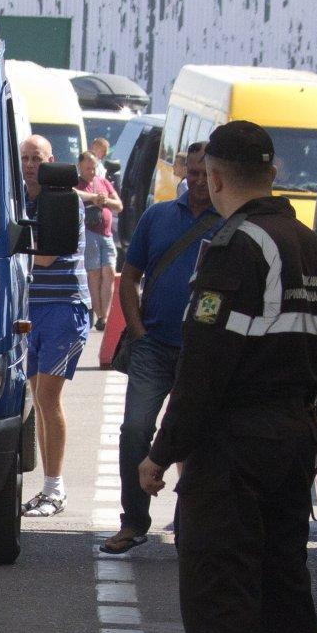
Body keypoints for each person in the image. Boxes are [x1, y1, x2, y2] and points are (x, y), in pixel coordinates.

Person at [134, 121, 317, 633]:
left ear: (215, 178)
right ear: (272, 174)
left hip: (236, 442)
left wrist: (161, 452)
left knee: (220, 580)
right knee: (283, 582)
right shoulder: (311, 248)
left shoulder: (233, 247)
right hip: (292, 435)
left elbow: (206, 364)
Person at [101, 143, 215, 556]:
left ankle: (190, 523)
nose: (200, 181)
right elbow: (129, 277)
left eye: (207, 173)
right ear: (183, 171)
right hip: (154, 345)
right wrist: (138, 329)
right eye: (194, 172)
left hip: (204, 353)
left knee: (197, 437)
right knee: (135, 430)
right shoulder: (159, 216)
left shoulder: (232, 223)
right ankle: (133, 522)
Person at [19, 133, 89, 517]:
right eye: (25, 158)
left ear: (51, 161)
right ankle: (48, 487)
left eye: (37, 158)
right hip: (31, 306)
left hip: (63, 306)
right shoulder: (16, 199)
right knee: (36, 398)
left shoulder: (65, 202)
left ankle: (55, 488)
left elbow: (43, 259)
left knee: (47, 398)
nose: (31, 165)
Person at [77, 151, 121, 320]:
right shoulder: (77, 183)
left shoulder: (102, 182)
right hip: (89, 232)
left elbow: (119, 205)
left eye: (94, 168)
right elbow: (75, 194)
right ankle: (97, 313)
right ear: (80, 166)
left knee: (109, 272)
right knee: (93, 274)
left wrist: (104, 201)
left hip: (107, 234)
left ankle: (105, 316)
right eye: (88, 168)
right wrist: (93, 198)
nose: (92, 172)